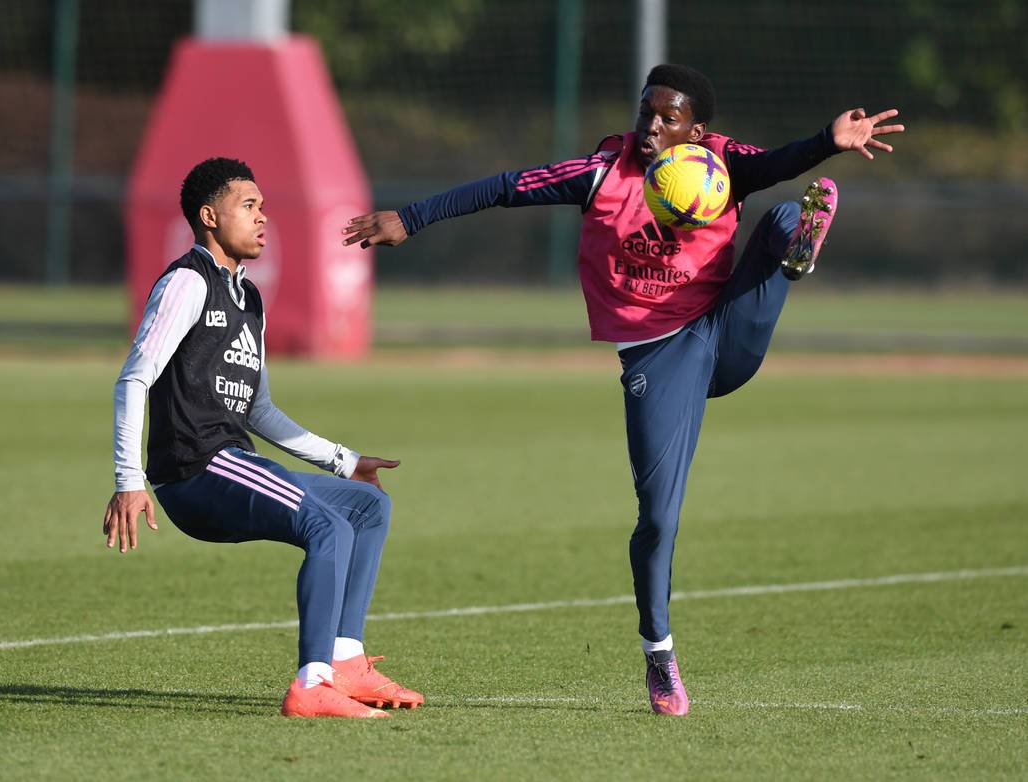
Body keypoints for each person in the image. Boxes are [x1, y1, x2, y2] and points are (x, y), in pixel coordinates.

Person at [341, 64, 904, 716]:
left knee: (783, 215)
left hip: (724, 330)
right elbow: (504, 187)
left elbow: (779, 160)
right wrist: (411, 218)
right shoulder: (602, 173)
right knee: (659, 516)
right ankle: (658, 654)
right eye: (646, 113)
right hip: (658, 357)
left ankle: (797, 248)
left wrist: (827, 141)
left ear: (696, 130)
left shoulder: (718, 165)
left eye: (668, 117)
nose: (652, 126)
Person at [104, 157, 422, 719]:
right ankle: (311, 684)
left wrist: (344, 461)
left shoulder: (248, 299)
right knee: (325, 525)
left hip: (231, 463)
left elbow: (261, 410)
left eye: (263, 206)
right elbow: (134, 377)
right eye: (249, 206)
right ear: (208, 216)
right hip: (196, 471)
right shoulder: (186, 282)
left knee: (368, 506)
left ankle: (345, 663)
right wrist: (129, 481)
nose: (263, 218)